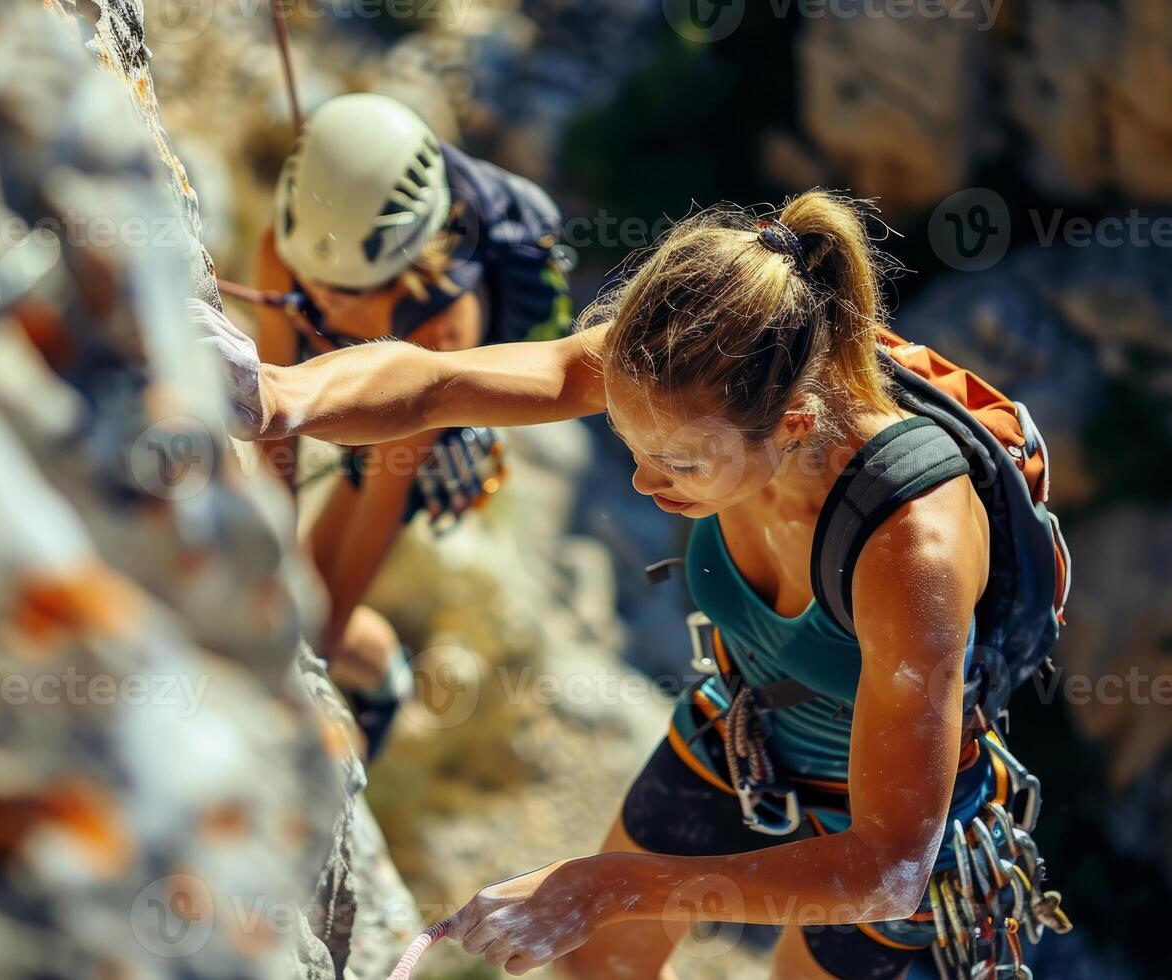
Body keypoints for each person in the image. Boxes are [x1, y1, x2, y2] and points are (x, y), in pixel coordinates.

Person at [235, 190, 1070, 978]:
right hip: (745, 730)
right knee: (597, 962)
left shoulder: (910, 543)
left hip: (892, 826)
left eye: (677, 463)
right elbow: (437, 384)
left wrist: (605, 884)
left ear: (795, 425)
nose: (642, 483)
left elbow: (889, 867)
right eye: (631, 443)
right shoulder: (685, 380)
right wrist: (275, 395)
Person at [247, 92, 573, 757]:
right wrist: (266, 562)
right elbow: (274, 423)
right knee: (281, 594)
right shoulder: (284, 251)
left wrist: (318, 638)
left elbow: (382, 492)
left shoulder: (444, 324)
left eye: (349, 292)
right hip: (356, 394)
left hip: (420, 435)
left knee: (318, 621)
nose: (325, 297)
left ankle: (380, 679)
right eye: (314, 281)